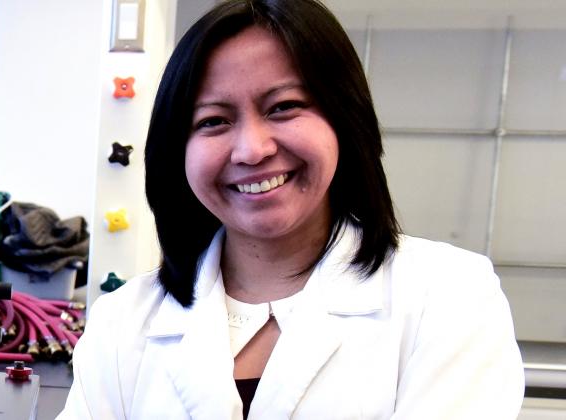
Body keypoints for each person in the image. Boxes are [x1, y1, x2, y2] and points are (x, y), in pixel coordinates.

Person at [58, 0, 525, 418]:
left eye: (283, 107)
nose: (252, 149)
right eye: (213, 120)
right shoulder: (123, 322)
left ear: (344, 118)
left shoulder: (449, 296)